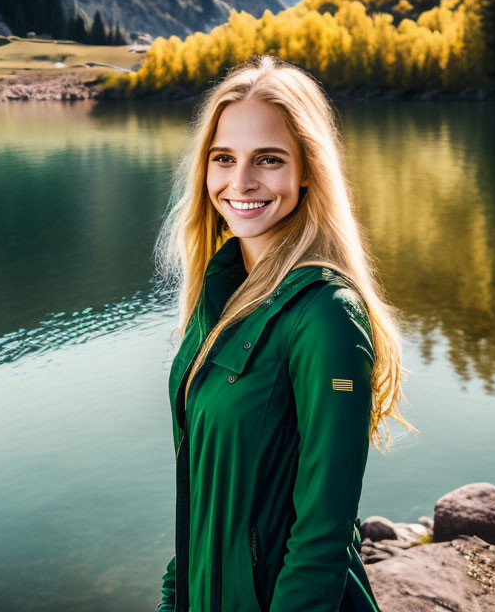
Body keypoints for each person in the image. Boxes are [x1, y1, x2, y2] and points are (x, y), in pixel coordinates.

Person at [153, 54, 415, 612]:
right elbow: (201, 493)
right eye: (224, 158)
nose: (240, 182)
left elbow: (323, 535)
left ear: (307, 170)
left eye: (268, 160)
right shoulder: (220, 292)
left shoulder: (325, 313)